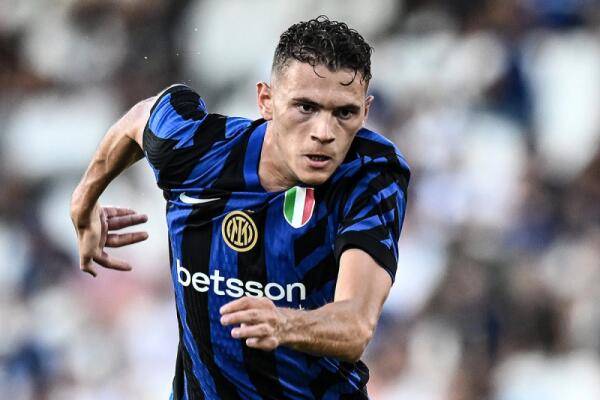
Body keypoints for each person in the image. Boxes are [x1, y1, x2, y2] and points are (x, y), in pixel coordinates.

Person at [70, 16, 410, 400]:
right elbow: (139, 119)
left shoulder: (369, 173)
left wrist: (283, 323)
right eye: (305, 107)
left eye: (344, 113)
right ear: (266, 100)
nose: (323, 132)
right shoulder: (197, 150)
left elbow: (355, 326)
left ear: (365, 111)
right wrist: (83, 203)